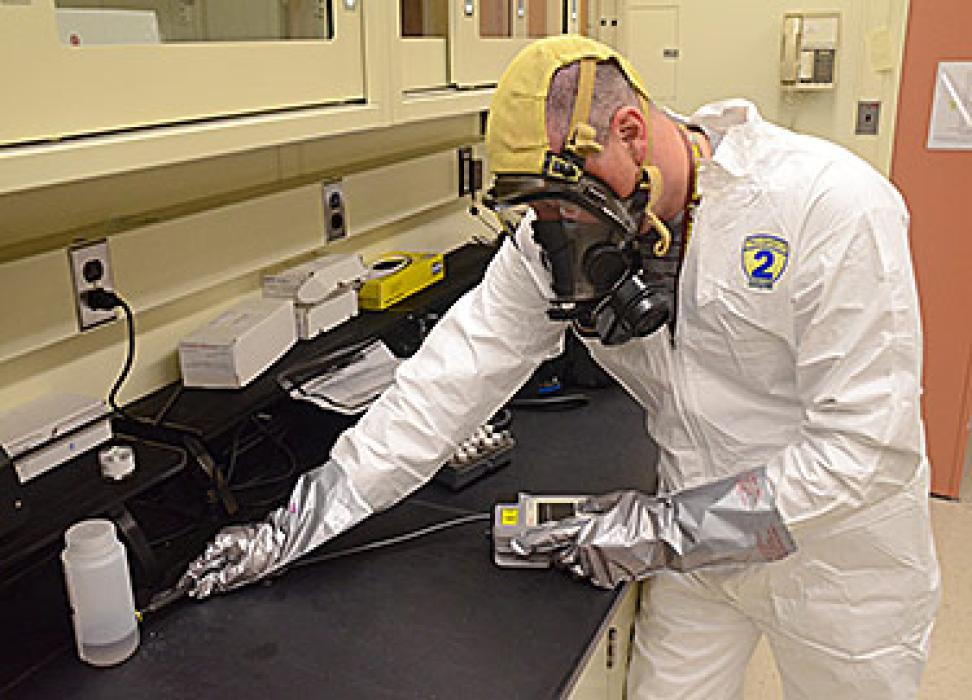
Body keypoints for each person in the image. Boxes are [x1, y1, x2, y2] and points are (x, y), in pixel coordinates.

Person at [181, 36, 940, 698]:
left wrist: (666, 528)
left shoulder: (828, 206)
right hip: (698, 557)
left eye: (562, 208)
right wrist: (297, 525)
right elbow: (445, 382)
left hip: (839, 563)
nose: (554, 237)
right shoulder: (555, 240)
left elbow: (864, 451)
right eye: (535, 214)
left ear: (632, 132)